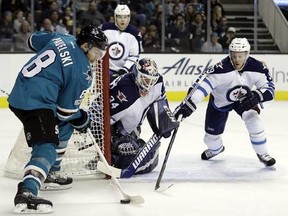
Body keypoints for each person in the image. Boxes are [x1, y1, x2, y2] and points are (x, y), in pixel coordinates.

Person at [8, 25, 108, 213]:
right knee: (46, 146)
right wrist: (82, 117)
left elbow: (32, 40)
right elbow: (65, 112)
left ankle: (51, 172)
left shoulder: (63, 38)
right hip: (35, 103)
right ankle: (27, 192)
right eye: (97, 52)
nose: (98, 57)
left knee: (65, 126)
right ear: (85, 46)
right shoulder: (83, 72)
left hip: (22, 91)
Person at [174, 38, 276, 167]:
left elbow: (270, 90)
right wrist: (189, 104)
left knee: (254, 121)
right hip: (220, 102)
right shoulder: (220, 69)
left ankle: (262, 153)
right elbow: (202, 88)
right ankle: (216, 149)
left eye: (240, 56)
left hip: (243, 100)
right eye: (234, 55)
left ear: (247, 54)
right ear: (229, 54)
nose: (237, 59)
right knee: (210, 138)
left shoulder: (258, 67)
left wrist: (257, 95)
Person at [89, 58, 178, 174]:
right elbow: (97, 119)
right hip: (113, 129)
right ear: (136, 75)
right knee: (125, 154)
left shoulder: (158, 83)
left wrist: (164, 122)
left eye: (152, 80)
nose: (149, 85)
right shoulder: (123, 89)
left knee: (148, 153)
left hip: (132, 127)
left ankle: (121, 151)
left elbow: (158, 105)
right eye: (145, 79)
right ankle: (109, 157)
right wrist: (113, 141)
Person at [101, 4, 142, 79]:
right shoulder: (105, 28)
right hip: (105, 70)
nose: (123, 20)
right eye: (120, 17)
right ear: (115, 17)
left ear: (129, 18)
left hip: (126, 72)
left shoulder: (134, 32)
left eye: (125, 17)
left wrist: (125, 69)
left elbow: (134, 55)